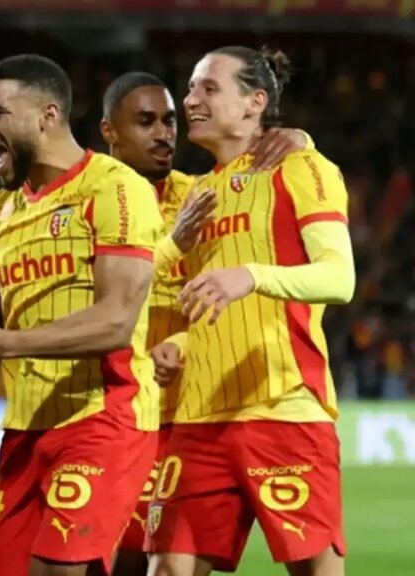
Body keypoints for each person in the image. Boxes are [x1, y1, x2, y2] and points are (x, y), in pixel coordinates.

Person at [0, 54, 162, 576]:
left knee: (57, 570)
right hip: (25, 432)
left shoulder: (114, 188)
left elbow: (117, 320)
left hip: (104, 415)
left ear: (48, 115)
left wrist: (4, 344)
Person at [144, 46, 354, 576]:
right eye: (191, 88)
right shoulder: (199, 194)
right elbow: (212, 304)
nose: (191, 100)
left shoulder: (301, 168)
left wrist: (251, 275)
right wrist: (182, 344)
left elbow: (339, 278)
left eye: (208, 88)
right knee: (165, 569)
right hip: (199, 418)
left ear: (254, 102)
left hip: (283, 409)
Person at [97, 71, 312, 576]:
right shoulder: (93, 200)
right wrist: (174, 243)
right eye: (146, 122)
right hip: (121, 414)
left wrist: (301, 140)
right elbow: (99, 297)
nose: (164, 134)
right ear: (110, 131)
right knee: (119, 562)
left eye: (169, 121)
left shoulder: (200, 193)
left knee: (161, 563)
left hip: (192, 417)